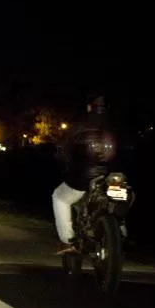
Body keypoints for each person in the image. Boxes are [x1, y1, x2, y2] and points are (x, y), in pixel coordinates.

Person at [52, 95, 118, 254]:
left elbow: (64, 151)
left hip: (83, 178)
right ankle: (120, 229)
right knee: (121, 197)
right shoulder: (116, 125)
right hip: (113, 177)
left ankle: (68, 242)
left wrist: (64, 162)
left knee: (59, 197)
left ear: (89, 107)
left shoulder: (79, 126)